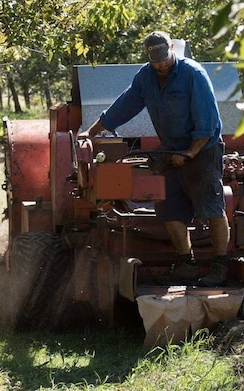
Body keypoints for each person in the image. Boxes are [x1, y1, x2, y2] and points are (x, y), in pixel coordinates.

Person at [79, 31, 229, 286]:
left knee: (211, 208)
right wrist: (91, 131)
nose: (161, 64)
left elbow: (207, 121)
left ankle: (220, 266)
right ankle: (187, 263)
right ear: (148, 57)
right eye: (156, 60)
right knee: (168, 208)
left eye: (165, 57)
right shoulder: (145, 77)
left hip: (202, 151)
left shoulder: (193, 74)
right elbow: (125, 105)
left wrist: (190, 153)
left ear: (172, 48)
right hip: (171, 152)